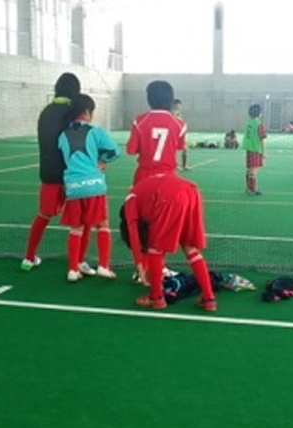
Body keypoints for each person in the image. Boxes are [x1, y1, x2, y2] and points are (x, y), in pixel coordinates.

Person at [119, 174, 217, 312]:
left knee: (155, 248)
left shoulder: (130, 201)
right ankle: (209, 299)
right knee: (190, 249)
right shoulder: (143, 193)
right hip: (192, 192)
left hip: (169, 197)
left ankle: (156, 298)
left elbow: (134, 235)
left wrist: (140, 267)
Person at [21, 72, 82, 272]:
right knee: (80, 221)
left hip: (49, 172)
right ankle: (77, 263)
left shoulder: (46, 111)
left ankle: (29, 257)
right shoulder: (73, 111)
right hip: (72, 173)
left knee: (43, 215)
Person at [58, 94, 120, 282]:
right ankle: (104, 266)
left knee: (76, 228)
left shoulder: (62, 135)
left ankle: (73, 269)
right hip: (94, 185)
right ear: (86, 112)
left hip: (73, 187)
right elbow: (115, 151)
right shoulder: (95, 131)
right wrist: (102, 161)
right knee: (102, 224)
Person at [126, 81, 186, 185]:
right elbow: (180, 147)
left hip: (144, 175)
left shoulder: (139, 121)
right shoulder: (180, 124)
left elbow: (131, 150)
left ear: (149, 99)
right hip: (168, 176)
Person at [241, 104, 267, 195]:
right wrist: (264, 152)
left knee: (250, 168)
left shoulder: (248, 122)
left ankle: (248, 188)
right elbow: (262, 138)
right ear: (258, 113)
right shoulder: (258, 124)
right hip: (256, 148)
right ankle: (252, 189)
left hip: (249, 148)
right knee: (254, 169)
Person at [172, 98, 190, 170]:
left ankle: (184, 165)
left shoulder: (179, 112)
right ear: (174, 105)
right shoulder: (172, 112)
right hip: (175, 132)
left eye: (179, 105)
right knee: (175, 150)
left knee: (185, 148)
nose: (178, 106)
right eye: (177, 104)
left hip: (181, 132)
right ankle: (175, 165)